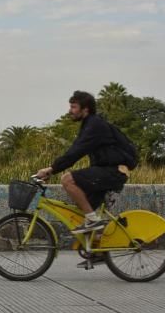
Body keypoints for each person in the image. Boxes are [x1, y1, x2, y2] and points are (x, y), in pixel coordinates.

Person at [35, 91, 130, 234]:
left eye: (73, 107)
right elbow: (76, 149)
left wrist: (51, 169)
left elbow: (75, 152)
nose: (70, 111)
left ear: (85, 109)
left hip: (114, 171)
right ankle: (97, 251)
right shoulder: (89, 124)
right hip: (109, 171)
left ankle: (92, 221)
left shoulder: (94, 125)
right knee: (82, 211)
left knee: (67, 180)